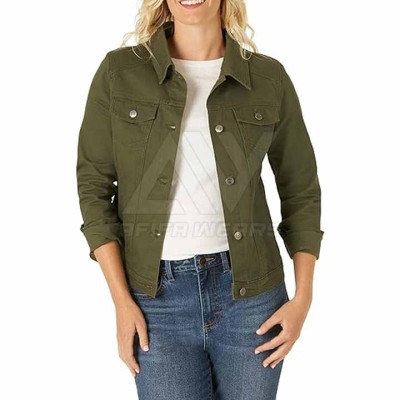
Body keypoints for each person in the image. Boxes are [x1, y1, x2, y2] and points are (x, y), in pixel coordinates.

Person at [76, 0, 324, 398]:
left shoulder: (268, 78)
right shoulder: (119, 73)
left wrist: (304, 298)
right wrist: (121, 301)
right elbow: (94, 187)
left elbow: (301, 189)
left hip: (252, 301)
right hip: (156, 302)